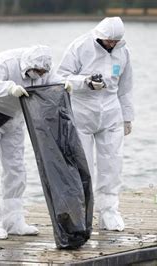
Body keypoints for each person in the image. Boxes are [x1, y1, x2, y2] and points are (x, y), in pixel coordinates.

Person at [0, 45, 71, 239]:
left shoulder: (42, 68)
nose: (40, 75)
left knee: (16, 167)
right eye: (37, 71)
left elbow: (52, 80)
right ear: (27, 66)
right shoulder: (4, 62)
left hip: (14, 117)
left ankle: (14, 219)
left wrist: (63, 85)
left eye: (43, 72)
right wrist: (8, 87)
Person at [57, 17, 134, 231]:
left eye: (114, 41)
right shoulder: (80, 46)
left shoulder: (123, 52)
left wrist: (127, 118)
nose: (110, 44)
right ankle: (81, 211)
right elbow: (60, 77)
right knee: (83, 165)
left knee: (112, 163)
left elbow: (126, 88)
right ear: (100, 35)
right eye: (108, 40)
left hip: (111, 113)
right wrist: (86, 82)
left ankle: (109, 210)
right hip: (82, 111)